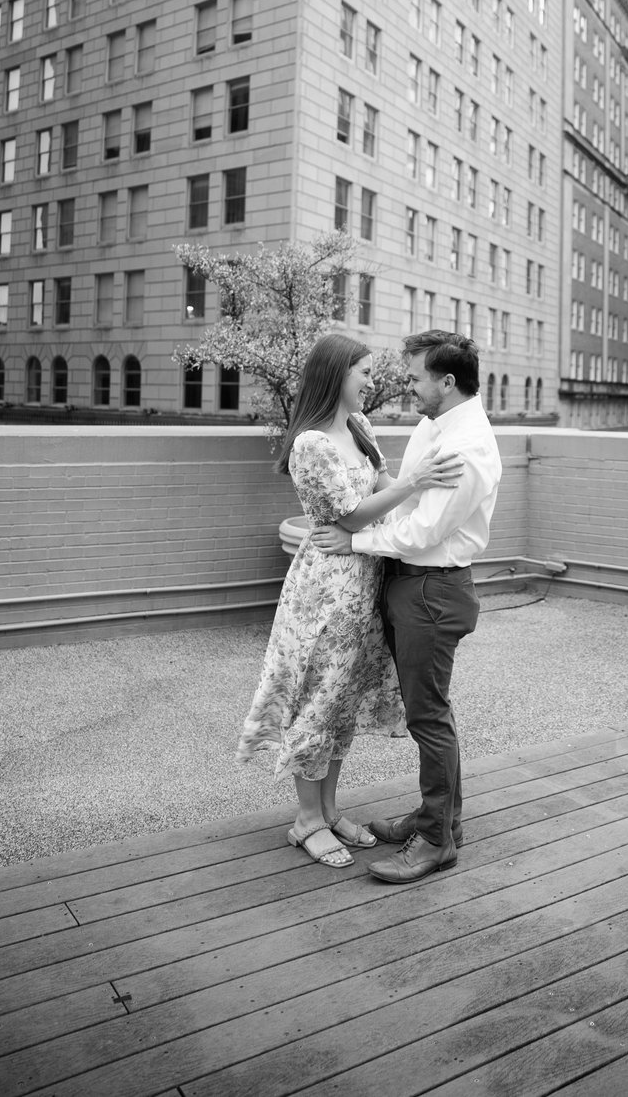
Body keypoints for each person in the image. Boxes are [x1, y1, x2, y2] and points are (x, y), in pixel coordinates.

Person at [236, 332, 462, 869]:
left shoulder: (359, 429)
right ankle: (306, 820)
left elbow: (381, 485)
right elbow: (351, 517)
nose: (370, 381)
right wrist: (416, 482)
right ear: (336, 374)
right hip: (328, 592)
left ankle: (329, 809)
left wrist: (415, 493)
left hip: (367, 584)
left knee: (340, 705)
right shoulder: (311, 443)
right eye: (362, 372)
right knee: (317, 702)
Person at [311, 330, 502, 884]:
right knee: (431, 714)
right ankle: (437, 819)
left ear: (447, 381)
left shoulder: (466, 447)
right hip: (411, 584)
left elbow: (424, 530)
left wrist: (354, 541)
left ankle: (436, 841)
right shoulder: (433, 425)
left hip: (432, 590)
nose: (406, 385)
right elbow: (409, 498)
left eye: (416, 376)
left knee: (429, 718)